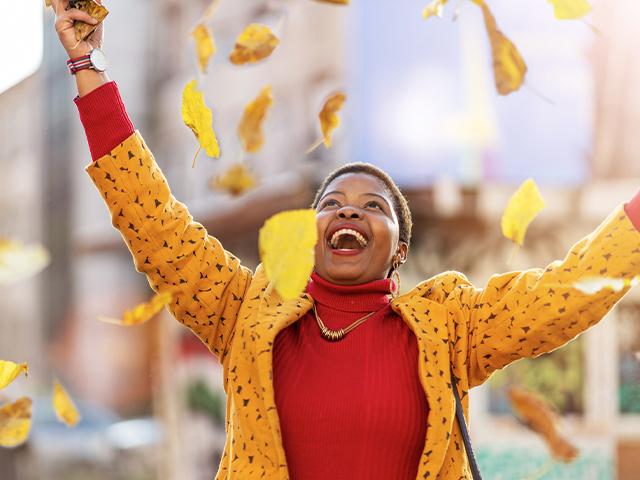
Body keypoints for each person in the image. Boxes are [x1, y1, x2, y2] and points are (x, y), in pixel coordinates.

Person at [52, 2, 640, 479]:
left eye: (372, 206)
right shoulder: (243, 311)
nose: (346, 212)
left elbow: (568, 294)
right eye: (330, 203)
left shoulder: (451, 329)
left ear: (399, 249)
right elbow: (152, 222)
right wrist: (88, 65)